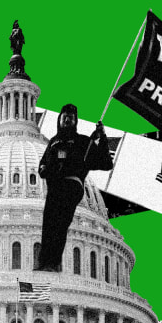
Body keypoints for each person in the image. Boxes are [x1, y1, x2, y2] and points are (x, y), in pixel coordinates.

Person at [35, 104, 113, 272]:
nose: (67, 120)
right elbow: (43, 164)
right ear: (59, 119)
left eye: (71, 118)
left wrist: (102, 137)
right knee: (48, 225)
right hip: (55, 186)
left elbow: (106, 162)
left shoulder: (83, 142)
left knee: (60, 224)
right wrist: (46, 169)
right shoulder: (53, 142)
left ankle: (53, 262)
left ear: (75, 121)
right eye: (64, 117)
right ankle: (44, 262)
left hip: (71, 185)